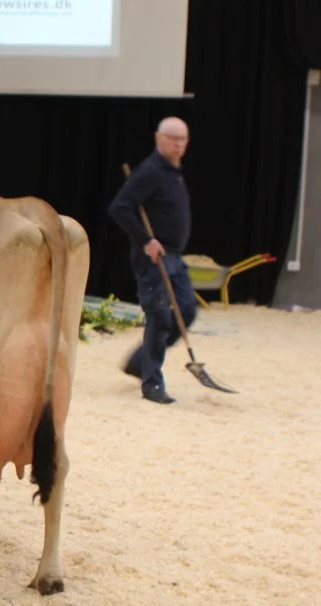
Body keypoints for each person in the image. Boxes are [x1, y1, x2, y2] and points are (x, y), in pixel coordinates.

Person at [108, 116, 198, 405]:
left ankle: (139, 361)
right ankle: (152, 383)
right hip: (153, 259)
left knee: (186, 311)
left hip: (175, 258)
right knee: (159, 317)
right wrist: (146, 240)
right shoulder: (150, 172)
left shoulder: (174, 172)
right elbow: (120, 207)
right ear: (159, 139)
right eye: (174, 138)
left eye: (183, 139)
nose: (179, 144)